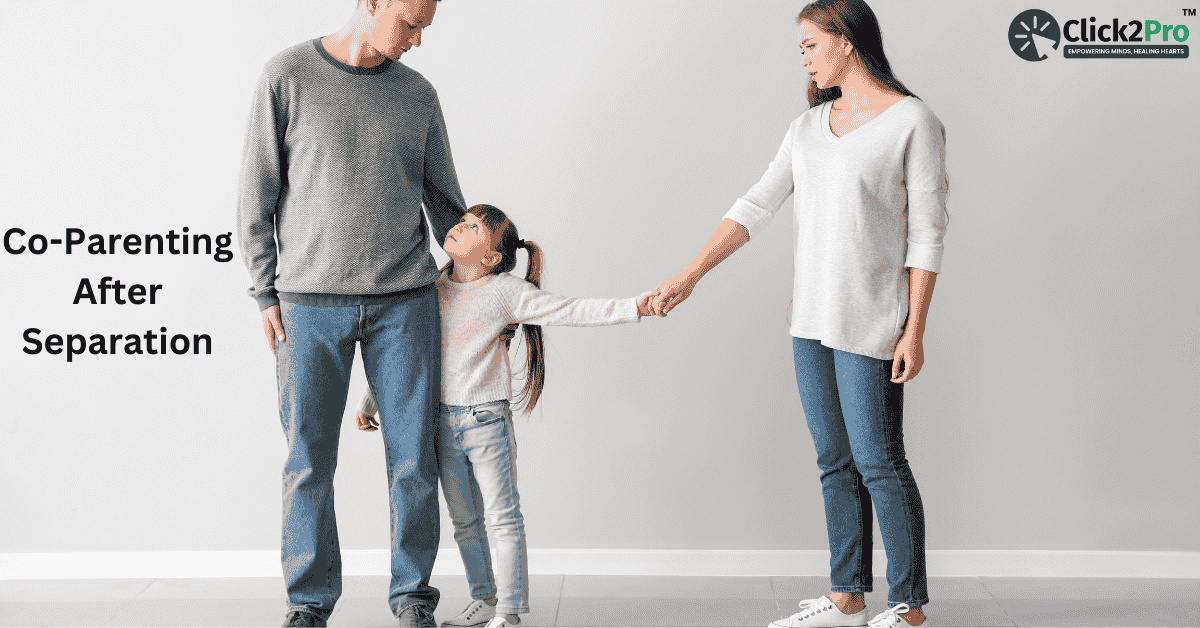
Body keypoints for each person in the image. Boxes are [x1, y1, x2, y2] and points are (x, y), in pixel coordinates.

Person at [650, 1, 948, 627]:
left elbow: (927, 237)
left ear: (847, 41)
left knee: (880, 461)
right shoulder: (807, 128)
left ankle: (909, 607)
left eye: (811, 44)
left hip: (872, 323)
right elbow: (756, 205)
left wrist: (914, 329)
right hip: (809, 322)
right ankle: (847, 596)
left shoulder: (913, 122)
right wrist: (692, 273)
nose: (804, 57)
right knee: (834, 461)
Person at [235, 1, 463, 626]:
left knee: (413, 456)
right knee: (308, 460)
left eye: (425, 29)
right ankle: (309, 603)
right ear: (372, 2)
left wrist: (490, 271)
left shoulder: (418, 96)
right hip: (306, 306)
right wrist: (264, 292)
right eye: (410, 23)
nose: (417, 41)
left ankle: (413, 596)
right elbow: (255, 196)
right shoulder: (286, 76)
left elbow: (445, 202)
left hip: (406, 304)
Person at [355, 204, 655, 628]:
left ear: (492, 258)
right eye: (463, 220)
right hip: (439, 422)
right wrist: (370, 400)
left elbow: (569, 309)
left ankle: (510, 612)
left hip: (485, 422)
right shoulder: (432, 286)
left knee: (503, 517)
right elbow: (406, 351)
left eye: (474, 226)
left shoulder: (504, 291)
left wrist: (635, 307)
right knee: (464, 522)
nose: (459, 225)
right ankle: (485, 600)